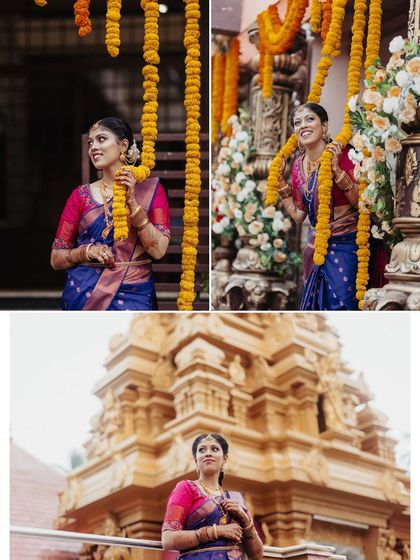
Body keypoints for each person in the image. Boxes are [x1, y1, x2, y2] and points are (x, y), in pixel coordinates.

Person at [51, 117, 170, 310]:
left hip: (135, 294)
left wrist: (132, 202)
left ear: (123, 145)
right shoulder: (79, 196)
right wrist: (86, 251)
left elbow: (159, 250)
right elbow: (56, 259)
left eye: (101, 139)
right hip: (83, 293)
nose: (93, 147)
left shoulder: (151, 190)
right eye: (90, 142)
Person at [277, 103, 360, 310]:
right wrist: (280, 185)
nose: (303, 125)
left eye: (309, 119)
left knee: (343, 304)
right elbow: (298, 216)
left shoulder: (345, 153)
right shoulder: (297, 165)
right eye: (297, 122)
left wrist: (338, 172)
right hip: (315, 246)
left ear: (324, 127)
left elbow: (362, 203)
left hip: (347, 242)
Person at [161, 433, 264, 560]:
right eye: (202, 450)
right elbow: (168, 540)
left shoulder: (235, 499)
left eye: (214, 449)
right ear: (196, 460)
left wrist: (245, 520)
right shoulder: (186, 488)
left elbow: (257, 555)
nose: (208, 453)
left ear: (225, 459)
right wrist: (216, 531)